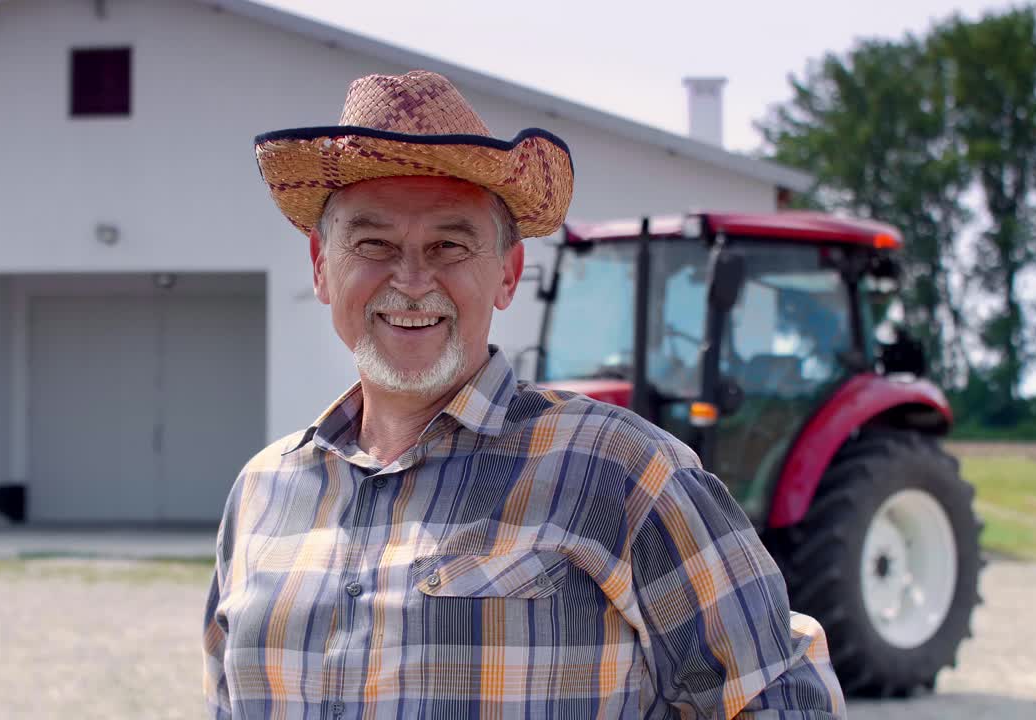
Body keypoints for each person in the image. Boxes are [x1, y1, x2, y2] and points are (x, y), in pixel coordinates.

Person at [203, 70, 845, 719]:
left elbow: (782, 702)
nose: (413, 279)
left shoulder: (626, 476)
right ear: (320, 266)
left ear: (507, 273)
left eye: (449, 245)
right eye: (374, 244)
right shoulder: (261, 496)